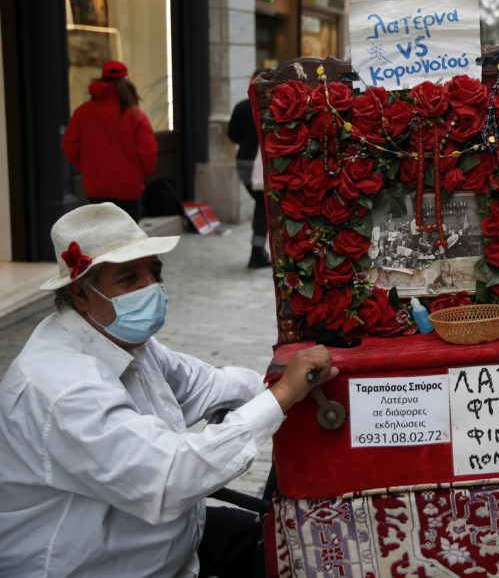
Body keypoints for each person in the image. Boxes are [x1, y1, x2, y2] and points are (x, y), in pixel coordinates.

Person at [0, 202, 337, 577]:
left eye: (155, 272)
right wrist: (282, 395)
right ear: (81, 294)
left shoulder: (120, 338)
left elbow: (208, 385)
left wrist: (283, 382)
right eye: (129, 279)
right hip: (91, 564)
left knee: (283, 542)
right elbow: (173, 476)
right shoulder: (64, 386)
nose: (151, 288)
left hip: (166, 544)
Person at [62, 61, 158, 221]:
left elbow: (70, 147)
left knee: (102, 236)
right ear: (127, 83)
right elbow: (148, 152)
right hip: (129, 188)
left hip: (96, 187)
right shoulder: (135, 115)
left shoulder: (83, 112)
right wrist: (142, 173)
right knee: (128, 239)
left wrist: (88, 167)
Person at [228, 87, 271, 268]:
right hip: (261, 164)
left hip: (243, 162)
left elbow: (232, 134)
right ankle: (257, 251)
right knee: (263, 205)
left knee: (262, 204)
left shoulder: (241, 106)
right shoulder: (269, 107)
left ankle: (258, 249)